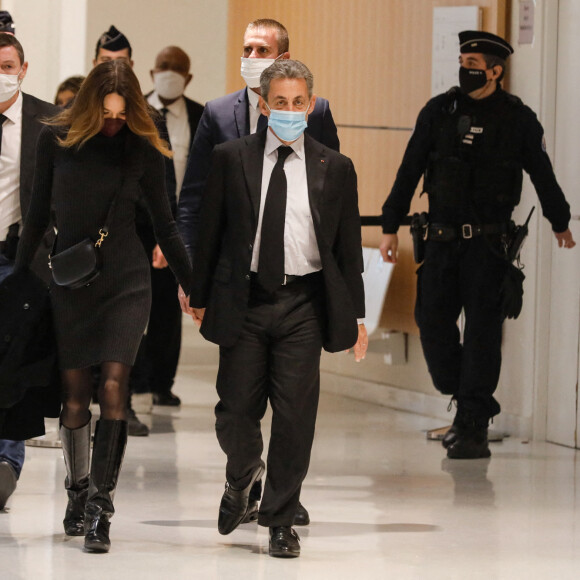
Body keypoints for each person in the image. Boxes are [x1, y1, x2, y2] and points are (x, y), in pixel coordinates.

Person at [181, 60, 367, 558]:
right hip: (244, 300)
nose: (288, 111)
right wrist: (198, 295)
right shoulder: (230, 157)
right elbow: (212, 232)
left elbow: (348, 250)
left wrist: (358, 317)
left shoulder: (336, 167)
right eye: (278, 103)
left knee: (295, 416)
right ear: (263, 106)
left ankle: (281, 520)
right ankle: (243, 476)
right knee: (235, 412)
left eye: (297, 102)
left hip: (303, 303)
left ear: (311, 104)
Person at [13, 60, 193, 552]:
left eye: (121, 114)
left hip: (125, 280)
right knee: (74, 396)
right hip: (70, 282)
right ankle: (76, 490)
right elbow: (34, 216)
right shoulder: (57, 138)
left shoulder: (141, 142)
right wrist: (15, 281)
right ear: (91, 106)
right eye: (107, 113)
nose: (114, 122)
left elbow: (166, 224)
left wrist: (195, 288)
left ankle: (100, 509)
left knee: (114, 386)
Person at [379, 31, 575, 460]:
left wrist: (559, 221)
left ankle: (472, 425)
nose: (466, 69)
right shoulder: (439, 112)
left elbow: (542, 173)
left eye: (474, 63)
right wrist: (390, 224)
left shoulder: (518, 118)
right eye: (463, 61)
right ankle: (460, 391)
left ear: (496, 70)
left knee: (484, 334)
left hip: (489, 246)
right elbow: (409, 168)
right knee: (431, 320)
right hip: (441, 241)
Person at [177, 18, 340, 261]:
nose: (252, 57)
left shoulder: (315, 113)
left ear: (283, 59)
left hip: (297, 265)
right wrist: (189, 274)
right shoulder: (216, 113)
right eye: (247, 50)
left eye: (262, 50)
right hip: (230, 268)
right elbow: (192, 200)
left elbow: (334, 195)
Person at [92, 25, 177, 435]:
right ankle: (85, 401)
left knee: (129, 326)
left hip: (137, 236)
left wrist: (166, 234)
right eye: (108, 63)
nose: (115, 69)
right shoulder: (75, 116)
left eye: (122, 63)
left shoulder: (147, 117)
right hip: (83, 239)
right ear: (94, 64)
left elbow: (166, 180)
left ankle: (122, 403)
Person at [0, 31, 58, 511]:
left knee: (14, 362)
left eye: (6, 65)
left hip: (22, 257)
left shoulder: (48, 121)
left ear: (22, 68)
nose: (0, 74)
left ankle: (7, 460)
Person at [144, 46, 204, 407]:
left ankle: (161, 382)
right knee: (135, 307)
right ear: (152, 72)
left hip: (181, 229)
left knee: (172, 307)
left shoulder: (201, 117)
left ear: (189, 77)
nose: (170, 73)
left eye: (178, 69)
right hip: (140, 228)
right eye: (164, 66)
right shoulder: (136, 112)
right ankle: (132, 379)